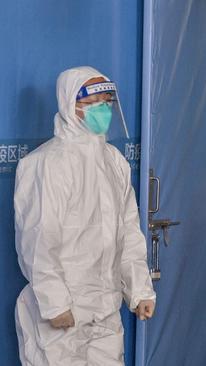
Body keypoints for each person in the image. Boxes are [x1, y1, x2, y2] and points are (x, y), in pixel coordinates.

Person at [14, 66, 156, 365]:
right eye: (92, 103)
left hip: (105, 308)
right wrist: (55, 304)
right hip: (62, 315)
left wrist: (140, 289)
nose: (101, 109)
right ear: (70, 105)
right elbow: (38, 239)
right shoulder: (47, 164)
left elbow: (128, 232)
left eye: (106, 101)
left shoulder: (113, 161)